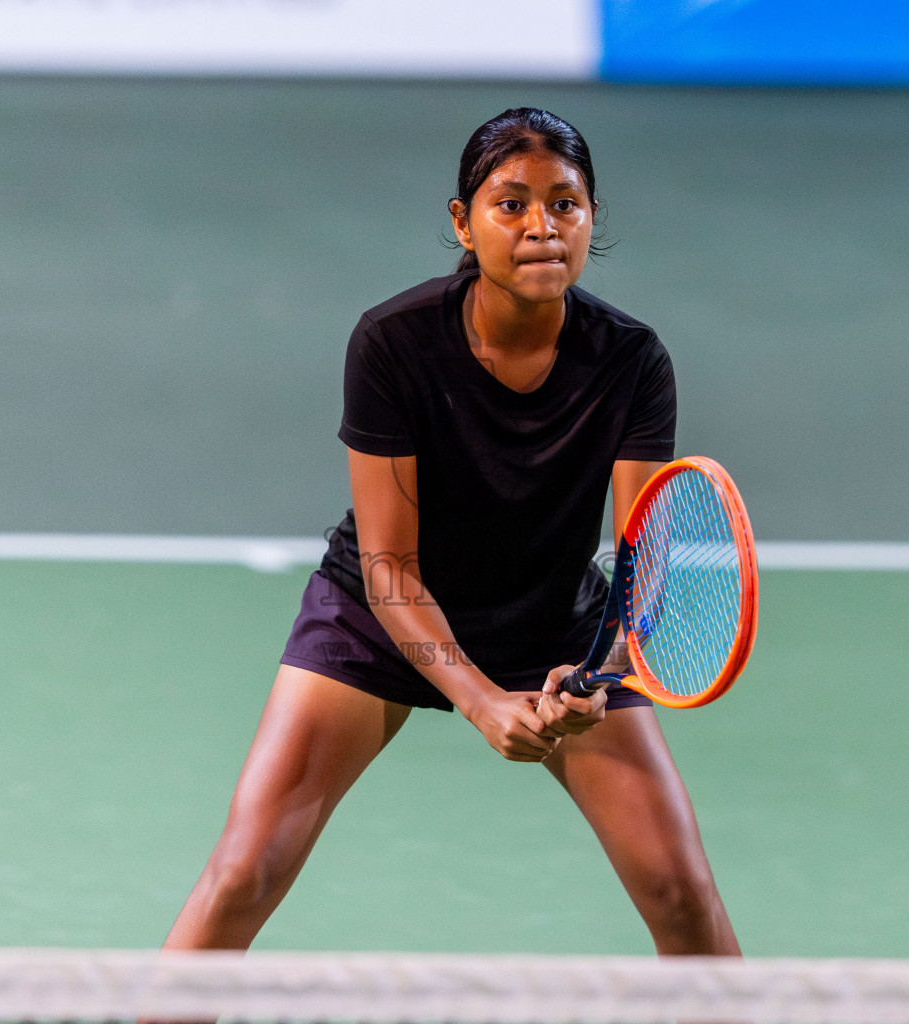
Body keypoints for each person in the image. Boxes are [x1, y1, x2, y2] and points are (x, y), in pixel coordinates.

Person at [162, 107, 740, 956]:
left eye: (566, 204)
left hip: (554, 624)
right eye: (511, 204)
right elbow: (391, 566)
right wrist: (480, 701)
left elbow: (638, 559)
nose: (542, 225)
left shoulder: (631, 360)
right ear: (463, 223)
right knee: (245, 872)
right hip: (380, 615)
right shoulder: (394, 343)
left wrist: (602, 670)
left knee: (681, 891)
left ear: (590, 220)